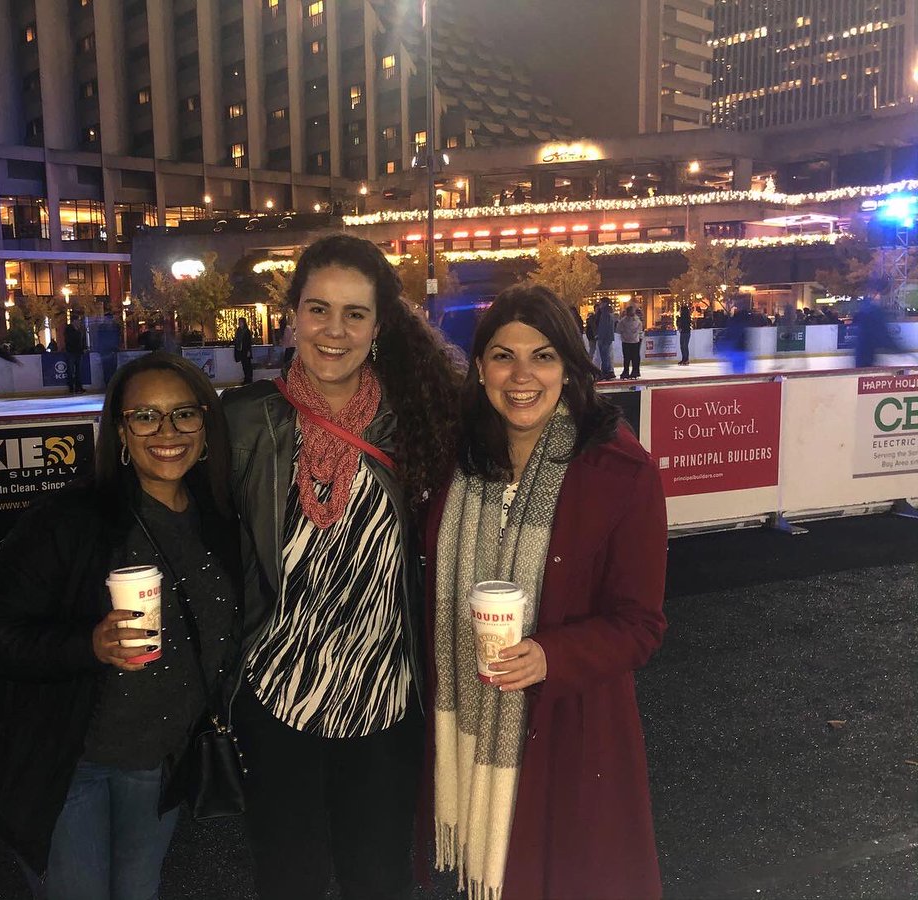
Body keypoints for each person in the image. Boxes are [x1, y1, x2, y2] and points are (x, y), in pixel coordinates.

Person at [222, 234, 462, 900]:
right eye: (318, 309)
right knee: (288, 881)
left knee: (378, 881)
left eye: (355, 314)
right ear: (292, 315)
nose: (335, 330)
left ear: (379, 325)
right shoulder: (244, 423)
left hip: (385, 700)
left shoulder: (419, 420)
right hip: (277, 698)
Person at [0, 353, 241, 900]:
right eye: (145, 416)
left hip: (158, 760)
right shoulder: (70, 520)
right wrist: (87, 644)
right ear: (120, 431)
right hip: (72, 762)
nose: (167, 432)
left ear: (206, 425)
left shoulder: (219, 517)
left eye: (184, 414)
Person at [427, 284, 667, 900]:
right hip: (468, 718)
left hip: (571, 728)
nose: (521, 376)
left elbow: (641, 624)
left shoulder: (620, 471)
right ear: (480, 368)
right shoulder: (455, 461)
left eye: (543, 356)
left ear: (569, 365)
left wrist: (550, 655)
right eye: (503, 356)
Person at [852, 296, 905, 368]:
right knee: (865, 366)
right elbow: (882, 336)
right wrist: (897, 349)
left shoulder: (865, 313)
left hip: (863, 351)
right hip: (866, 353)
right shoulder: (874, 314)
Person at [617, 303, 644, 379]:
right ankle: (635, 372)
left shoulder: (623, 321)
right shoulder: (638, 321)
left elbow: (619, 330)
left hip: (626, 341)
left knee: (627, 358)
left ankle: (626, 372)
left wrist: (624, 334)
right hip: (635, 341)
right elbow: (640, 330)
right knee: (635, 357)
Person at [594, 297, 616, 380]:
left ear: (604, 303)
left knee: (604, 355)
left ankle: (606, 371)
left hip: (604, 337)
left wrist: (600, 336)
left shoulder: (605, 312)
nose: (600, 304)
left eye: (601, 302)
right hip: (606, 337)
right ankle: (607, 371)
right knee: (605, 354)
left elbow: (604, 326)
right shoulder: (608, 312)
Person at [65, 318, 86, 394]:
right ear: (74, 321)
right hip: (71, 352)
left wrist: (83, 348)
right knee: (71, 371)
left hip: (78, 353)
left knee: (78, 371)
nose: (79, 322)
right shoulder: (69, 329)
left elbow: (82, 340)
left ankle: (78, 387)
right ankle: (71, 388)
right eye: (77, 320)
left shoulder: (79, 329)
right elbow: (70, 340)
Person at [233, 316, 253, 385]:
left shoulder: (246, 331)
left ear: (244, 323)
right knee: (244, 365)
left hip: (245, 350)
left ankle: (249, 379)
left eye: (241, 322)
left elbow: (248, 342)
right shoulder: (238, 331)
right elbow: (236, 340)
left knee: (247, 365)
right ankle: (246, 379)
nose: (239, 323)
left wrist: (248, 351)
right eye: (239, 322)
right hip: (240, 350)